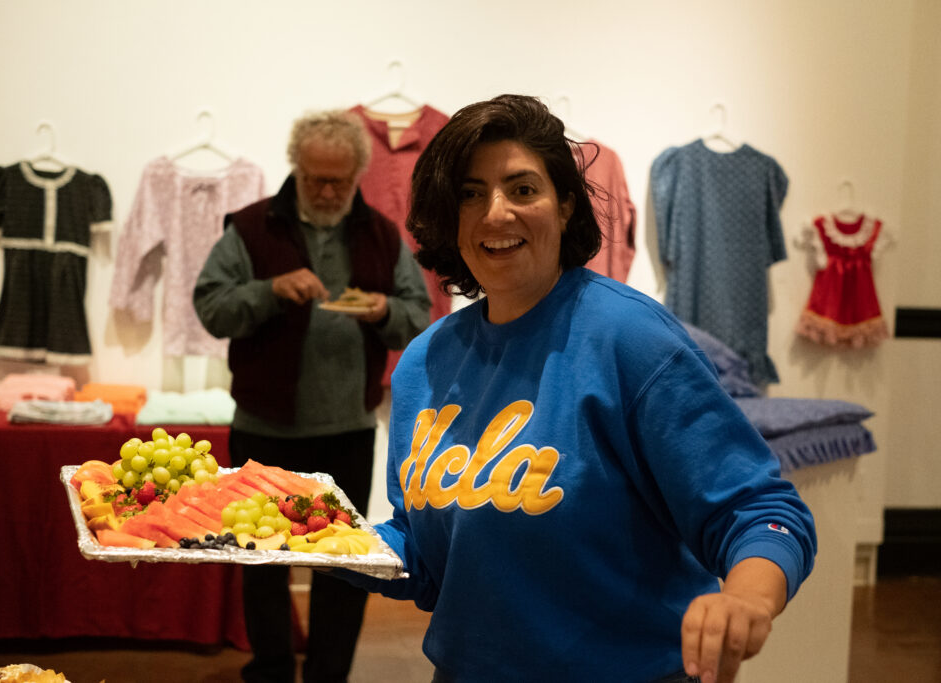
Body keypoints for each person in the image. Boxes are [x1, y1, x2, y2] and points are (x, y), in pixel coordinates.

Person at [334, 94, 817, 683]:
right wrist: (325, 539)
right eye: (469, 193)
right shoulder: (424, 363)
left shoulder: (631, 339)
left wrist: (747, 600)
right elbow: (428, 557)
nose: (496, 213)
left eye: (522, 189)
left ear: (565, 206)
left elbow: (759, 510)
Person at [193, 109, 431, 683]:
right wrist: (270, 291)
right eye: (315, 179)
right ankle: (271, 670)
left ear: (357, 174)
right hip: (263, 426)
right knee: (259, 562)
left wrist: (383, 311)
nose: (327, 191)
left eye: (340, 181)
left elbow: (419, 316)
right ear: (295, 168)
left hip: (347, 429)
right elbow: (211, 306)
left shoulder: (380, 233)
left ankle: (329, 675)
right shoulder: (252, 228)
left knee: (343, 562)